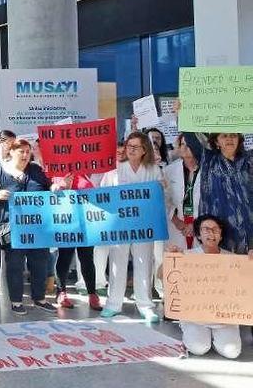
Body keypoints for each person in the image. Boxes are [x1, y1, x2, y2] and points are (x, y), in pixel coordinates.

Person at [99, 132, 167, 322]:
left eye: (136, 147)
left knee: (144, 263)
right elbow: (104, 199)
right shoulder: (114, 171)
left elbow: (161, 198)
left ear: (145, 150)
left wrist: (161, 187)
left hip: (144, 225)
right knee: (116, 264)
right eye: (129, 146)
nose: (131, 150)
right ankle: (113, 304)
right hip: (120, 226)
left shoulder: (154, 170)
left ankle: (145, 305)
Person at [0, 139, 57, 315]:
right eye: (21, 152)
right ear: (11, 152)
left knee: (40, 263)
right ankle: (16, 301)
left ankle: (40, 299)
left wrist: (56, 187)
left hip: (37, 227)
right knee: (15, 265)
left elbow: (49, 189)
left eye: (28, 152)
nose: (26, 155)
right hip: (12, 228)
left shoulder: (36, 170)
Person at [169, 215, 243, 359]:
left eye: (216, 230)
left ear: (221, 236)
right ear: (198, 235)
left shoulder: (234, 260)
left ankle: (216, 340)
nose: (211, 233)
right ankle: (192, 334)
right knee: (198, 348)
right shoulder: (187, 256)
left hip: (224, 318)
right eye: (206, 229)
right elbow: (162, 275)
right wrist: (171, 259)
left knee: (232, 352)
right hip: (195, 317)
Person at [181, 131, 253, 256]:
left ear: (239, 139)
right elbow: (191, 136)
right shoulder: (208, 159)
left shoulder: (249, 160)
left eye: (233, 135)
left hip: (250, 234)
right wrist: (180, 115)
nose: (229, 139)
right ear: (216, 141)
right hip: (218, 234)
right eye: (224, 136)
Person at [50, 173, 102, 311]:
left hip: (86, 224)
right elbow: (51, 192)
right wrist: (61, 187)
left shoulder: (86, 173)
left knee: (87, 259)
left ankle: (92, 293)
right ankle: (61, 292)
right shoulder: (58, 172)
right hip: (66, 223)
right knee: (64, 258)